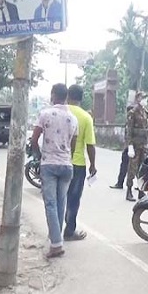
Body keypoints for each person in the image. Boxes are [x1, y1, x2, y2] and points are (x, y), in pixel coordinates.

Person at [31, 83, 78, 258]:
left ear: (52, 95)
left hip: (49, 164)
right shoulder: (73, 119)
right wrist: (66, 157)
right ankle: (55, 236)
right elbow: (73, 144)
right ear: (66, 97)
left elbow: (34, 139)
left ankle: (56, 244)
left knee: (50, 204)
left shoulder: (45, 114)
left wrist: (39, 155)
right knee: (60, 202)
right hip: (67, 165)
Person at [64, 84, 96, 241]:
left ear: (68, 95)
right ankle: (70, 230)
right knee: (73, 198)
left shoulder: (60, 112)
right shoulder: (85, 117)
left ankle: (55, 230)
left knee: (58, 197)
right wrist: (93, 165)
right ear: (82, 99)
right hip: (78, 163)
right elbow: (90, 144)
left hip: (60, 160)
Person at [125, 92, 148, 201]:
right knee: (132, 168)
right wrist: (130, 145)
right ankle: (129, 190)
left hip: (143, 144)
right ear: (138, 99)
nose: (145, 100)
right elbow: (129, 130)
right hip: (135, 145)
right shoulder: (133, 112)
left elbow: (147, 130)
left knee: (142, 169)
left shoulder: (146, 112)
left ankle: (141, 192)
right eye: (143, 98)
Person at [110, 104, 134, 190]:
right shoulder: (130, 122)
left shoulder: (130, 123)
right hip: (131, 147)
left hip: (130, 148)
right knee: (132, 166)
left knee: (125, 166)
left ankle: (121, 183)